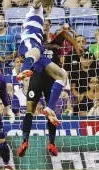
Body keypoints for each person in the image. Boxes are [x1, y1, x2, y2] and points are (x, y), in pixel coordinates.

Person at [17, 18, 83, 157]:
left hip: (51, 82)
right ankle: (24, 141)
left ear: (50, 27)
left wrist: (76, 45)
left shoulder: (54, 42)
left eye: (47, 25)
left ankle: (52, 143)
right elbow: (23, 55)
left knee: (50, 111)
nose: (45, 27)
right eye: (43, 25)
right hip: (37, 79)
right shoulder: (35, 43)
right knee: (30, 110)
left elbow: (64, 33)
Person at [17, 0, 76, 126]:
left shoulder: (39, 19)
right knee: (35, 51)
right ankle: (23, 71)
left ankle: (50, 108)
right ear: (49, 7)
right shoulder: (36, 10)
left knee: (62, 75)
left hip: (38, 52)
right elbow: (36, 0)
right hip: (29, 45)